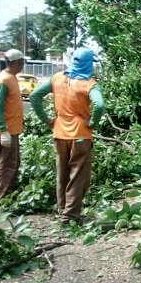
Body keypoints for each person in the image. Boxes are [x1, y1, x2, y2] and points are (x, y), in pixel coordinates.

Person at [29, 47, 105, 224]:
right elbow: (100, 105)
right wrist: (92, 123)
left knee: (62, 173)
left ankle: (63, 209)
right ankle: (70, 215)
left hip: (59, 132)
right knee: (79, 176)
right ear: (88, 64)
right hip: (80, 135)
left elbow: (34, 96)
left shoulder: (57, 78)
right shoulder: (89, 84)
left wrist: (47, 120)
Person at [0, 49, 26, 205]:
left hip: (12, 129)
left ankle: (7, 197)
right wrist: (3, 130)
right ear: (16, 62)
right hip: (7, 130)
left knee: (12, 163)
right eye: (22, 62)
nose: (23, 65)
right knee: (5, 165)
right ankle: (1, 199)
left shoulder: (11, 78)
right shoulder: (4, 80)